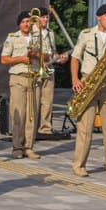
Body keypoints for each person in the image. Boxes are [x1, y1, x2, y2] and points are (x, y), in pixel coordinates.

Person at [69, 4, 106, 176]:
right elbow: (75, 57)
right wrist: (75, 79)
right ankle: (79, 165)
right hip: (88, 81)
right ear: (98, 17)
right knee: (85, 127)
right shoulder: (87, 34)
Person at [1, 10, 41, 160]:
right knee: (18, 114)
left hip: (34, 77)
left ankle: (29, 147)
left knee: (32, 115)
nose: (26, 24)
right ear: (19, 24)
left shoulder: (37, 37)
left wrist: (36, 55)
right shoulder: (12, 37)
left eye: (29, 21)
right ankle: (17, 147)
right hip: (18, 77)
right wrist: (21, 59)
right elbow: (4, 59)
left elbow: (47, 55)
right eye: (24, 21)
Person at [36, 8, 69, 136]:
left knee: (47, 100)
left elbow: (52, 52)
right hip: (35, 70)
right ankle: (32, 127)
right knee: (34, 100)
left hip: (49, 70)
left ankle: (45, 128)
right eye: (43, 17)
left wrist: (60, 58)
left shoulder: (50, 33)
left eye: (46, 17)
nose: (45, 20)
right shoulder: (32, 32)